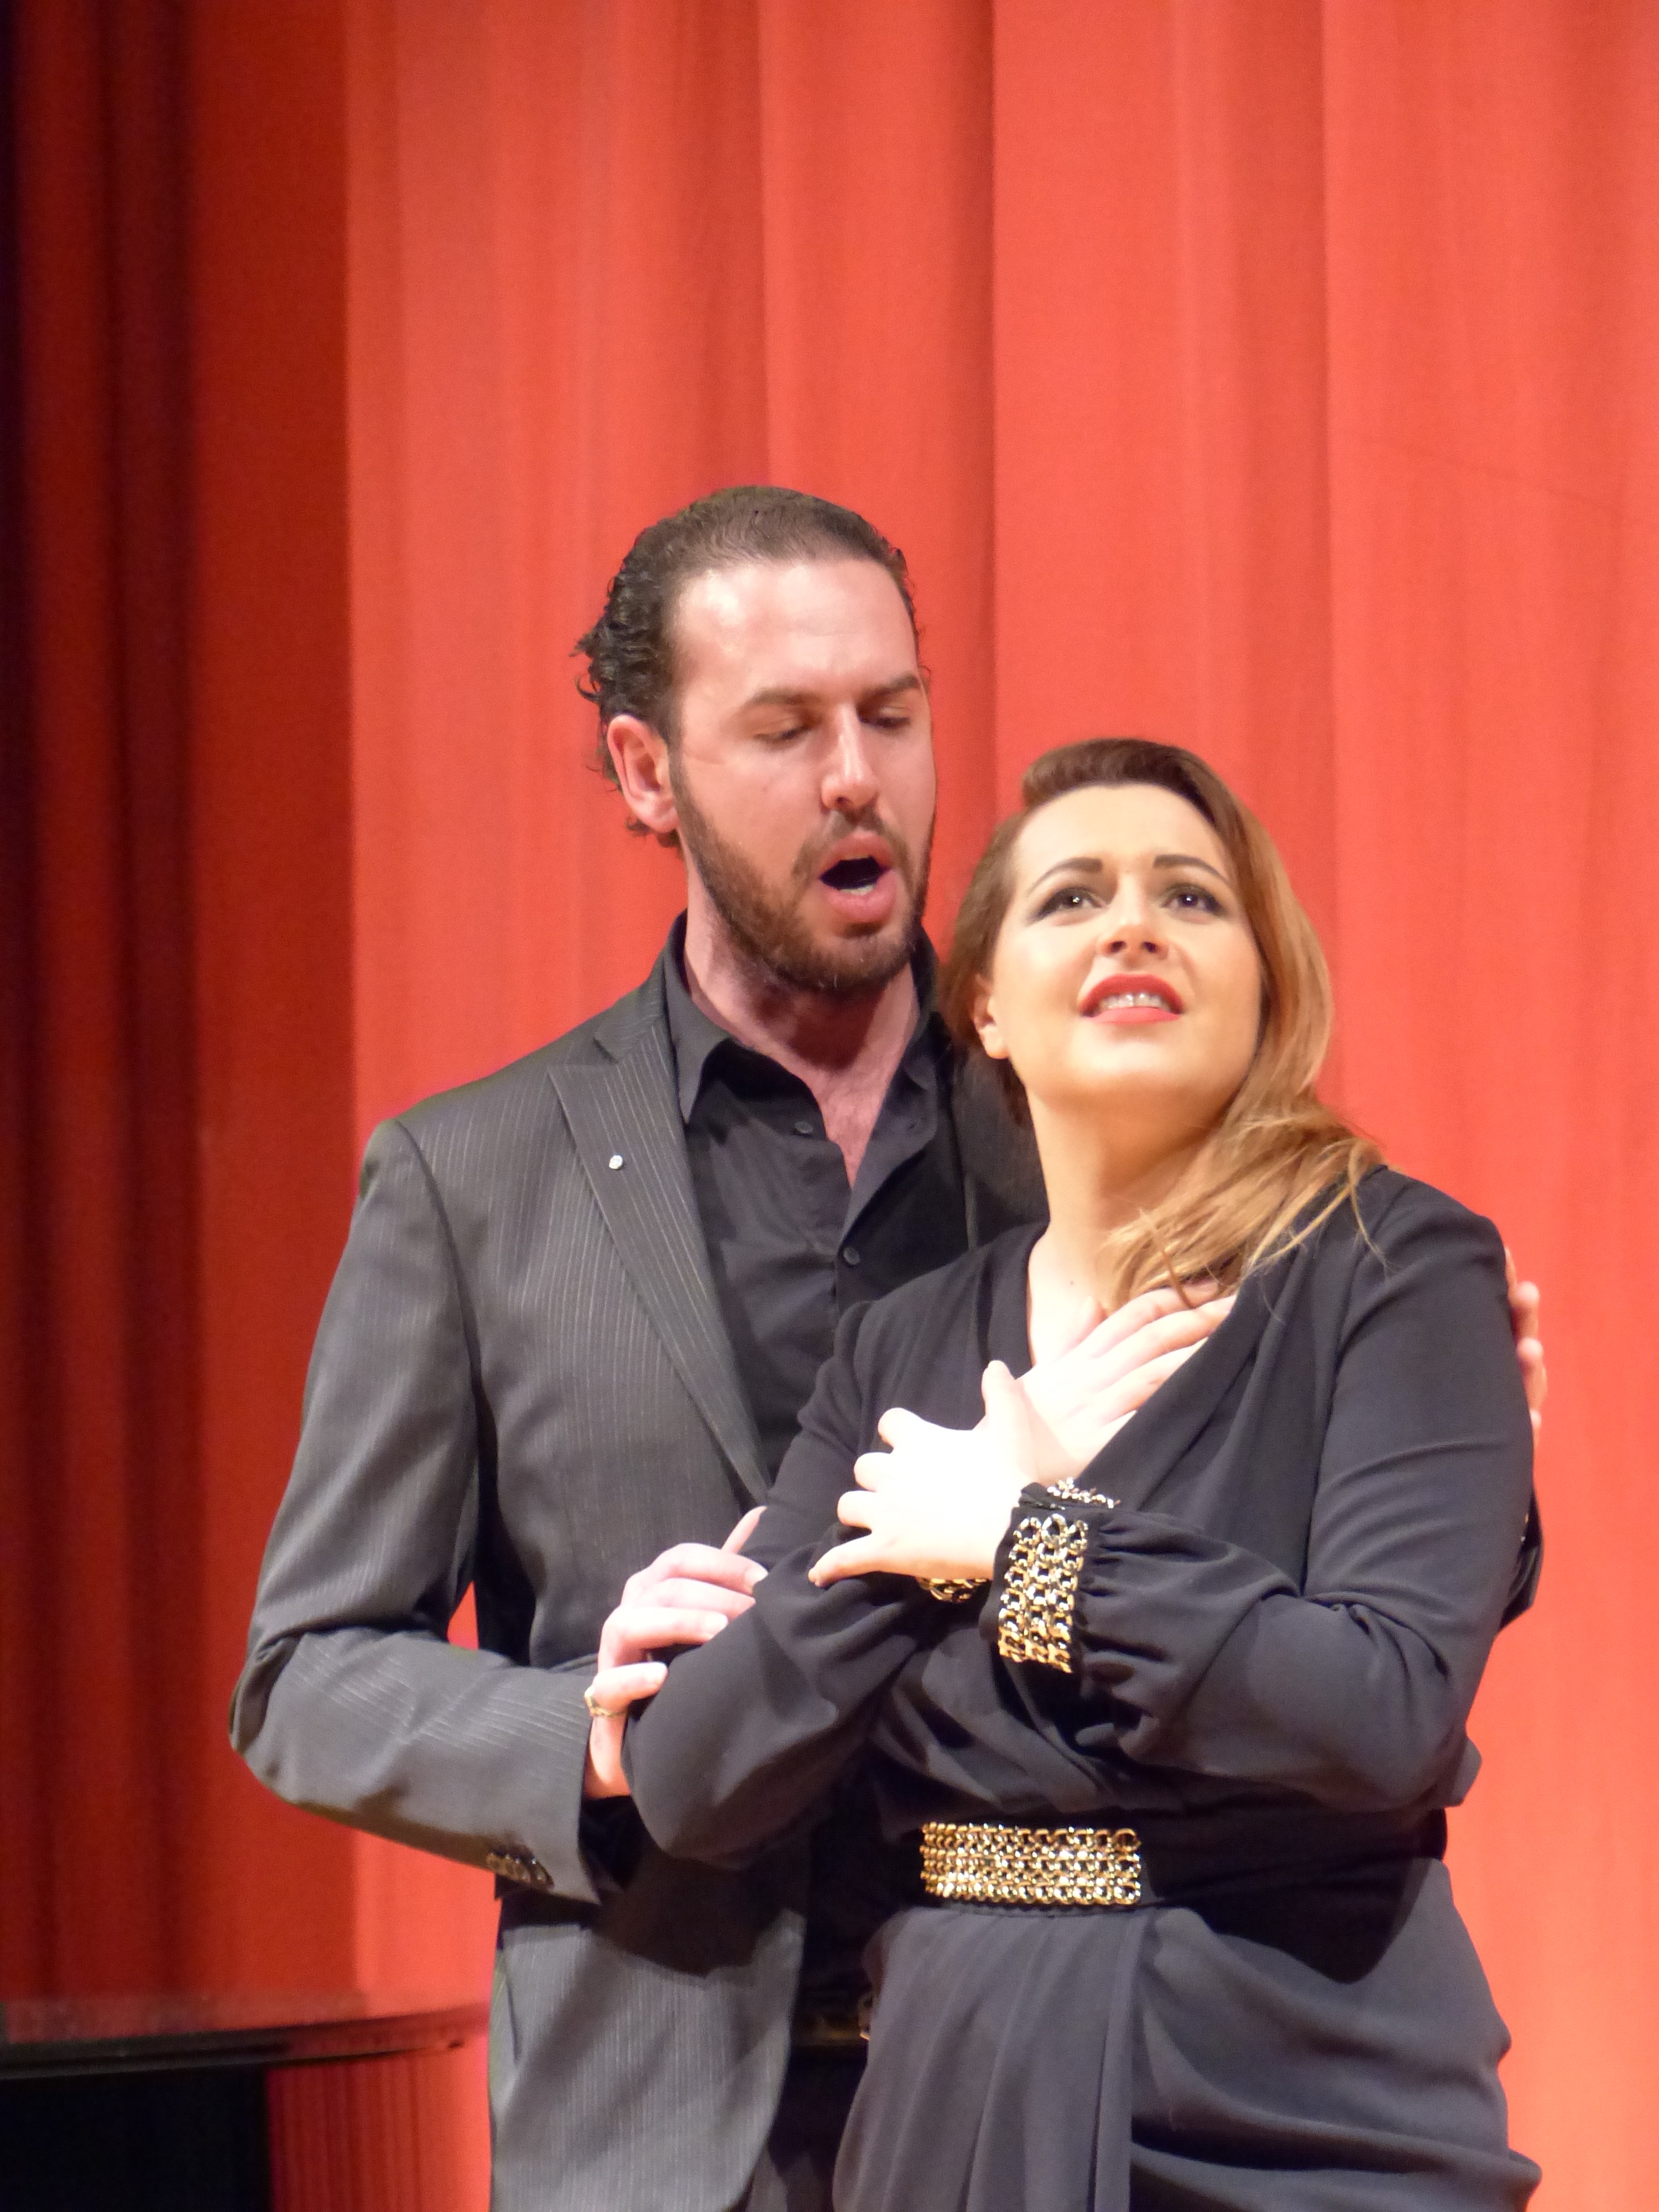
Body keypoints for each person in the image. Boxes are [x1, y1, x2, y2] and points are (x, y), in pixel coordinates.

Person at [232, 489, 1254, 2212]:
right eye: (785, 731)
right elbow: (307, 1678)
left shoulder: (1111, 1134)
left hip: (1068, 2098)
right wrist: (588, 1734)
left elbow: (1310, 1585)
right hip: (664, 2130)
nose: (857, 777)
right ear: (648, 775)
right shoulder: (475, 1179)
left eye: (892, 714)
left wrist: (1451, 1420)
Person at [625, 737, 1542, 2210]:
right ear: (986, 1003)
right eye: (1072, 898)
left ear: (1267, 986)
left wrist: (1020, 1540)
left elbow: (1380, 1713)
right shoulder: (901, 1349)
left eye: (1191, 897)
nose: (1132, 926)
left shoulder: (1395, 1269)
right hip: (958, 2096)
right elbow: (697, 1779)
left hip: (1303, 2096)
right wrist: (926, 1553)